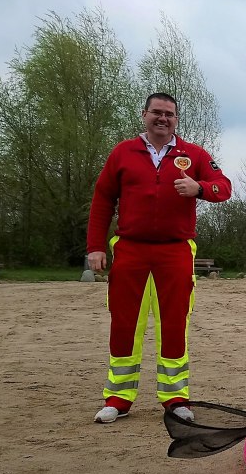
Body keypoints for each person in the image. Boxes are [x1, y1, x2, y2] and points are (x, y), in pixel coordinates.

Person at [87, 92, 232, 424]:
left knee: (174, 323)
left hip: (175, 250)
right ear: (145, 115)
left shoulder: (193, 154)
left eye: (169, 114)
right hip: (130, 248)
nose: (162, 118)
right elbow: (102, 199)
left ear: (176, 119)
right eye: (157, 112)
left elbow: (223, 187)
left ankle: (176, 398)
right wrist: (95, 246)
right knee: (124, 323)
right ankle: (118, 398)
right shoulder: (123, 153)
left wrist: (200, 189)